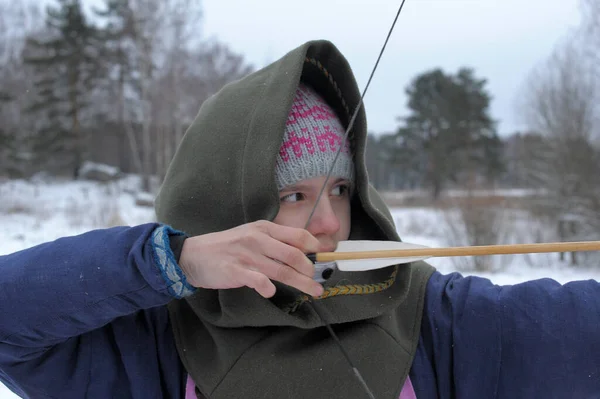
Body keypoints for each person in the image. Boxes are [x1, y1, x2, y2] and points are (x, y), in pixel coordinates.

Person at [1, 39, 599, 399]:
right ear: (224, 203)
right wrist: (170, 262)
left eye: (340, 188)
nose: (328, 223)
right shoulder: (153, 340)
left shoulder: (430, 316)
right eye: (293, 195)